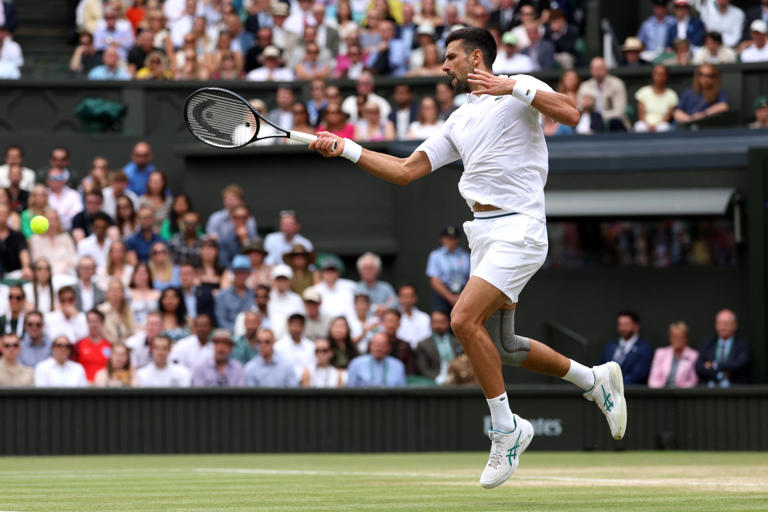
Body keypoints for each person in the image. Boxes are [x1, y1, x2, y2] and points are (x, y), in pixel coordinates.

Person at [308, 27, 625, 488]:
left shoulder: (519, 88)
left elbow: (573, 113)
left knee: (461, 320)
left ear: (476, 57)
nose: (443, 66)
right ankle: (594, 380)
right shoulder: (458, 120)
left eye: (450, 57)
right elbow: (404, 170)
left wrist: (514, 87)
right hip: (484, 235)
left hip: (520, 228)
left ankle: (506, 429)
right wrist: (347, 148)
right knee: (505, 348)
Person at [695, 309, 750, 387]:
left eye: (726, 323)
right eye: (720, 323)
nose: (723, 326)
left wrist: (714, 365)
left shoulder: (742, 345)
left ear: (735, 325)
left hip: (735, 391)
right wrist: (719, 375)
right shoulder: (707, 343)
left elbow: (738, 364)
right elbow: (699, 367)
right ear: (716, 325)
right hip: (708, 390)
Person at [597, 311, 654, 386]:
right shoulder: (610, 346)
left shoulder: (644, 349)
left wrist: (612, 383)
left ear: (636, 326)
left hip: (630, 393)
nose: (622, 328)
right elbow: (599, 368)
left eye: (626, 324)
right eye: (620, 324)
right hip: (605, 391)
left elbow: (638, 376)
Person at [426, 225, 471, 312]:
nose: (451, 241)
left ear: (458, 239)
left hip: (462, 292)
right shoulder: (436, 256)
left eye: (454, 238)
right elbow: (434, 280)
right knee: (439, 318)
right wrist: (450, 297)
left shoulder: (465, 256)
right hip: (443, 293)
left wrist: (462, 296)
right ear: (442, 239)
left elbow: (470, 278)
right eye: (448, 238)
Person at [577, 57, 629, 131]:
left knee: (615, 122)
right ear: (591, 70)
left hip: (613, 123)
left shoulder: (617, 84)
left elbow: (619, 112)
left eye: (600, 68)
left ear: (606, 69)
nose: (598, 72)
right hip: (592, 123)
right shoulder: (585, 86)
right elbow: (579, 108)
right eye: (595, 69)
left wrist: (599, 117)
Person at [415, 310, 462, 384]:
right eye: (435, 322)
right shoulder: (423, 345)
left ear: (449, 323)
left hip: (459, 381)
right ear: (430, 324)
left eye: (442, 322)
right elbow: (423, 368)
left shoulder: (458, 342)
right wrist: (438, 379)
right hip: (435, 383)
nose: (439, 326)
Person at [648, 321, 699, 388]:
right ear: (670, 338)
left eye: (680, 336)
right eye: (674, 336)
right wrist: (662, 392)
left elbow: (693, 381)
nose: (677, 339)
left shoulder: (694, 355)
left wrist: (677, 390)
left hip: (683, 394)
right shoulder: (660, 353)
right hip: (660, 394)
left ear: (686, 338)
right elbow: (653, 379)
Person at [633, 65, 678, 133]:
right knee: (640, 127)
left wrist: (656, 126)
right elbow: (641, 114)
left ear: (666, 77)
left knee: (663, 128)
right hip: (645, 123)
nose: (660, 77)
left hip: (662, 124)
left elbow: (668, 116)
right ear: (653, 75)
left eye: (662, 75)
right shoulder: (644, 92)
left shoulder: (672, 95)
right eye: (658, 74)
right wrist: (648, 125)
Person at [215, 255, 254, 331]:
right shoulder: (222, 295)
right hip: (229, 335)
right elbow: (221, 321)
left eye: (244, 273)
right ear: (233, 274)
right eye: (238, 272)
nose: (241, 276)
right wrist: (238, 331)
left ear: (248, 274)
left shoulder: (254, 294)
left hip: (250, 335)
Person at [72, 308, 112, 383]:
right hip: (84, 387)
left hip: (103, 387)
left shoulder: (110, 346)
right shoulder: (78, 345)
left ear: (103, 323)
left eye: (96, 321)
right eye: (90, 321)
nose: (93, 325)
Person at [274, 313, 315, 381]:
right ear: (288, 326)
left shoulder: (311, 346)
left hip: (307, 382)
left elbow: (313, 367)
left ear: (303, 327)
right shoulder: (278, 347)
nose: (295, 329)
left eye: (298, 325)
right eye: (293, 325)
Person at [98, 279, 135, 345]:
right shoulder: (100, 311)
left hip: (125, 348)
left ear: (123, 293)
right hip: (106, 347)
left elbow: (132, 332)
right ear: (107, 293)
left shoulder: (129, 311)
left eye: (118, 290)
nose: (115, 293)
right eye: (112, 290)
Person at [0, 203, 31, 279]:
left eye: (4, 214)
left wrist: (26, 267)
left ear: (9, 216)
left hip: (14, 273)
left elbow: (23, 252)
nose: (2, 217)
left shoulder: (18, 235)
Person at [46, 167, 82, 232]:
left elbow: (78, 213)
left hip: (70, 231)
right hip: (48, 232)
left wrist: (57, 215)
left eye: (59, 177)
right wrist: (65, 213)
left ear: (64, 180)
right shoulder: (43, 195)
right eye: (52, 178)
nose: (55, 180)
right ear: (47, 180)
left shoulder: (74, 194)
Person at [396, 284, 431, 350]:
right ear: (399, 298)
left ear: (416, 298)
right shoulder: (394, 318)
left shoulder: (425, 318)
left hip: (422, 353)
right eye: (405, 296)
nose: (407, 300)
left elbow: (427, 339)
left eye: (410, 296)